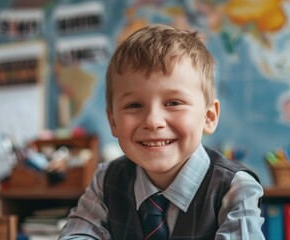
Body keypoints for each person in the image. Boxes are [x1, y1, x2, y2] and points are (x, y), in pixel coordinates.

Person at [60, 24, 265, 240]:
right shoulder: (106, 181)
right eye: (134, 105)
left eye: (174, 102)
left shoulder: (235, 187)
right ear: (113, 121)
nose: (153, 121)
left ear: (209, 117)